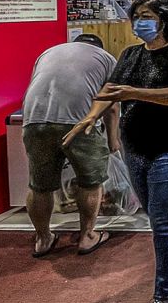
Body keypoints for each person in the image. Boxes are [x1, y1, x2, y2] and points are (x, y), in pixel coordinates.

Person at [64, 0, 168, 303]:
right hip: (136, 145)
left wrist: (134, 92)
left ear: (164, 20)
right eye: (137, 16)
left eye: (147, 16)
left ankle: (164, 297)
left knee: (162, 221)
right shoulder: (130, 55)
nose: (140, 22)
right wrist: (89, 117)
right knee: (157, 208)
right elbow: (110, 90)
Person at [22, 34, 119, 258]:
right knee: (90, 182)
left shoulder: (48, 53)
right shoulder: (106, 58)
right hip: (79, 122)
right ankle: (87, 236)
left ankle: (43, 238)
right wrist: (113, 139)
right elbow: (112, 105)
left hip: (34, 121)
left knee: (39, 185)